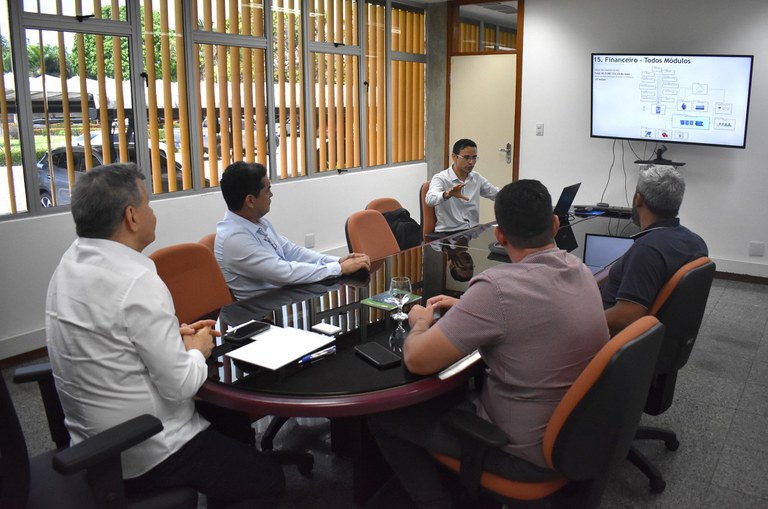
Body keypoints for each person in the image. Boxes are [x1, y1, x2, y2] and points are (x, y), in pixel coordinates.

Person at [45, 163, 285, 508]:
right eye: (149, 204)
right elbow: (182, 385)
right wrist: (198, 349)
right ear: (131, 217)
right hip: (148, 447)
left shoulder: (69, 265)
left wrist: (172, 332)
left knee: (231, 422)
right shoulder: (136, 280)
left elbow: (110, 334)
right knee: (266, 479)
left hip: (91, 442)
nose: (153, 212)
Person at [369, 180, 609, 509]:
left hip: (521, 454)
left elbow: (418, 360)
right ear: (554, 225)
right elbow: (522, 317)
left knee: (384, 419)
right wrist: (469, 311)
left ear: (499, 235)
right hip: (577, 435)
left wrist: (421, 321)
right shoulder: (580, 269)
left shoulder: (497, 288)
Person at [216, 161, 371, 299]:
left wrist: (337, 261)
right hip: (262, 315)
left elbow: (291, 251)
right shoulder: (234, 238)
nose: (271, 194)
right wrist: (339, 268)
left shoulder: (257, 222)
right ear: (250, 200)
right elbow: (283, 272)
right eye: (267, 190)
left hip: (283, 298)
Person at [602, 165, 708, 334]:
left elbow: (627, 316)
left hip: (607, 338)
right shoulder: (695, 242)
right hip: (659, 338)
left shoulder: (647, 250)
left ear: (638, 199)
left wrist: (586, 321)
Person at [425, 138, 500, 235]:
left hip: (472, 232)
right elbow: (429, 199)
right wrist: (447, 194)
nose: (471, 162)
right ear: (454, 157)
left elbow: (496, 193)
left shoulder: (476, 178)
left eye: (474, 158)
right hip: (448, 235)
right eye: (467, 157)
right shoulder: (441, 178)